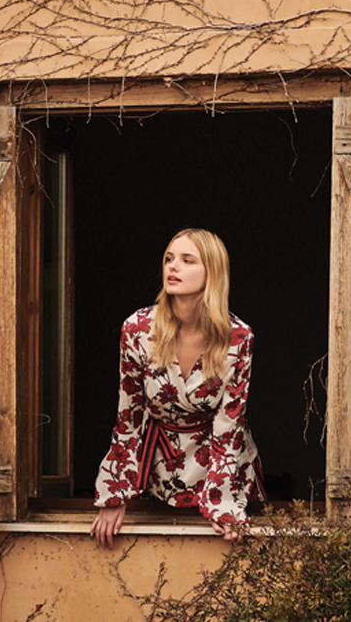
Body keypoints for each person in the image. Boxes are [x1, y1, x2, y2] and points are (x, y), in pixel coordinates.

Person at [90, 228, 266, 548]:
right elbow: (129, 415)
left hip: (221, 467)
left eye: (187, 260)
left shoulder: (238, 337)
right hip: (158, 467)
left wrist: (222, 502)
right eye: (169, 259)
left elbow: (230, 425)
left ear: (212, 272)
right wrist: (115, 492)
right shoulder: (138, 329)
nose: (173, 266)